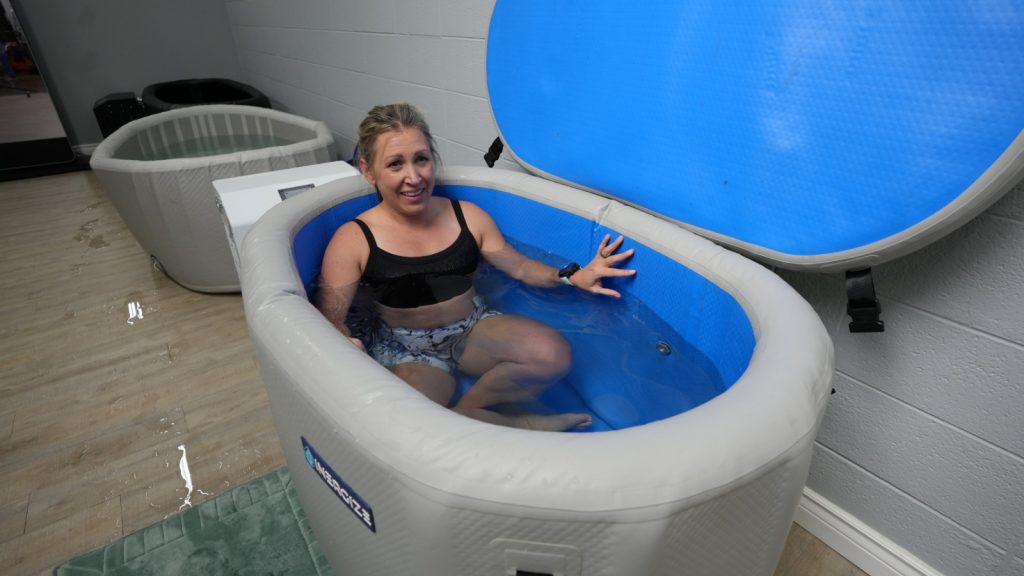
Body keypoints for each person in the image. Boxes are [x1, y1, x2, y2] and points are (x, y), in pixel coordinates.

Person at [316, 103, 635, 431]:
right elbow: (331, 316)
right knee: (407, 420)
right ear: (368, 171)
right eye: (395, 164)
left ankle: (471, 411)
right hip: (405, 347)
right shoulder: (353, 240)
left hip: (472, 328)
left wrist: (572, 276)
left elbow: (521, 267)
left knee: (551, 354)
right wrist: (346, 343)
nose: (414, 178)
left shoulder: (466, 216)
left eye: (421, 159)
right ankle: (514, 424)